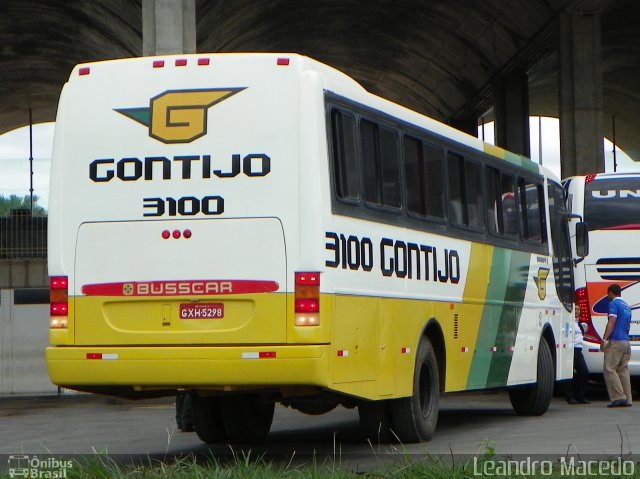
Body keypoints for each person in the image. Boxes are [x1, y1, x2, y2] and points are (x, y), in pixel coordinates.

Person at [600, 284, 632, 408]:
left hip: (616, 341)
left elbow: (612, 321)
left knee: (609, 368)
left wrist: (604, 339)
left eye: (608, 294)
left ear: (611, 293)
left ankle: (618, 397)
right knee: (623, 369)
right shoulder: (627, 306)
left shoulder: (613, 304)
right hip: (626, 341)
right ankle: (628, 398)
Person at [565, 318, 590, 404]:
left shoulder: (579, 323)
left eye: (578, 310)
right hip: (572, 349)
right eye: (575, 309)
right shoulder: (569, 321)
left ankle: (581, 396)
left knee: (584, 371)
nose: (577, 311)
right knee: (570, 373)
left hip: (579, 349)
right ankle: (570, 397)